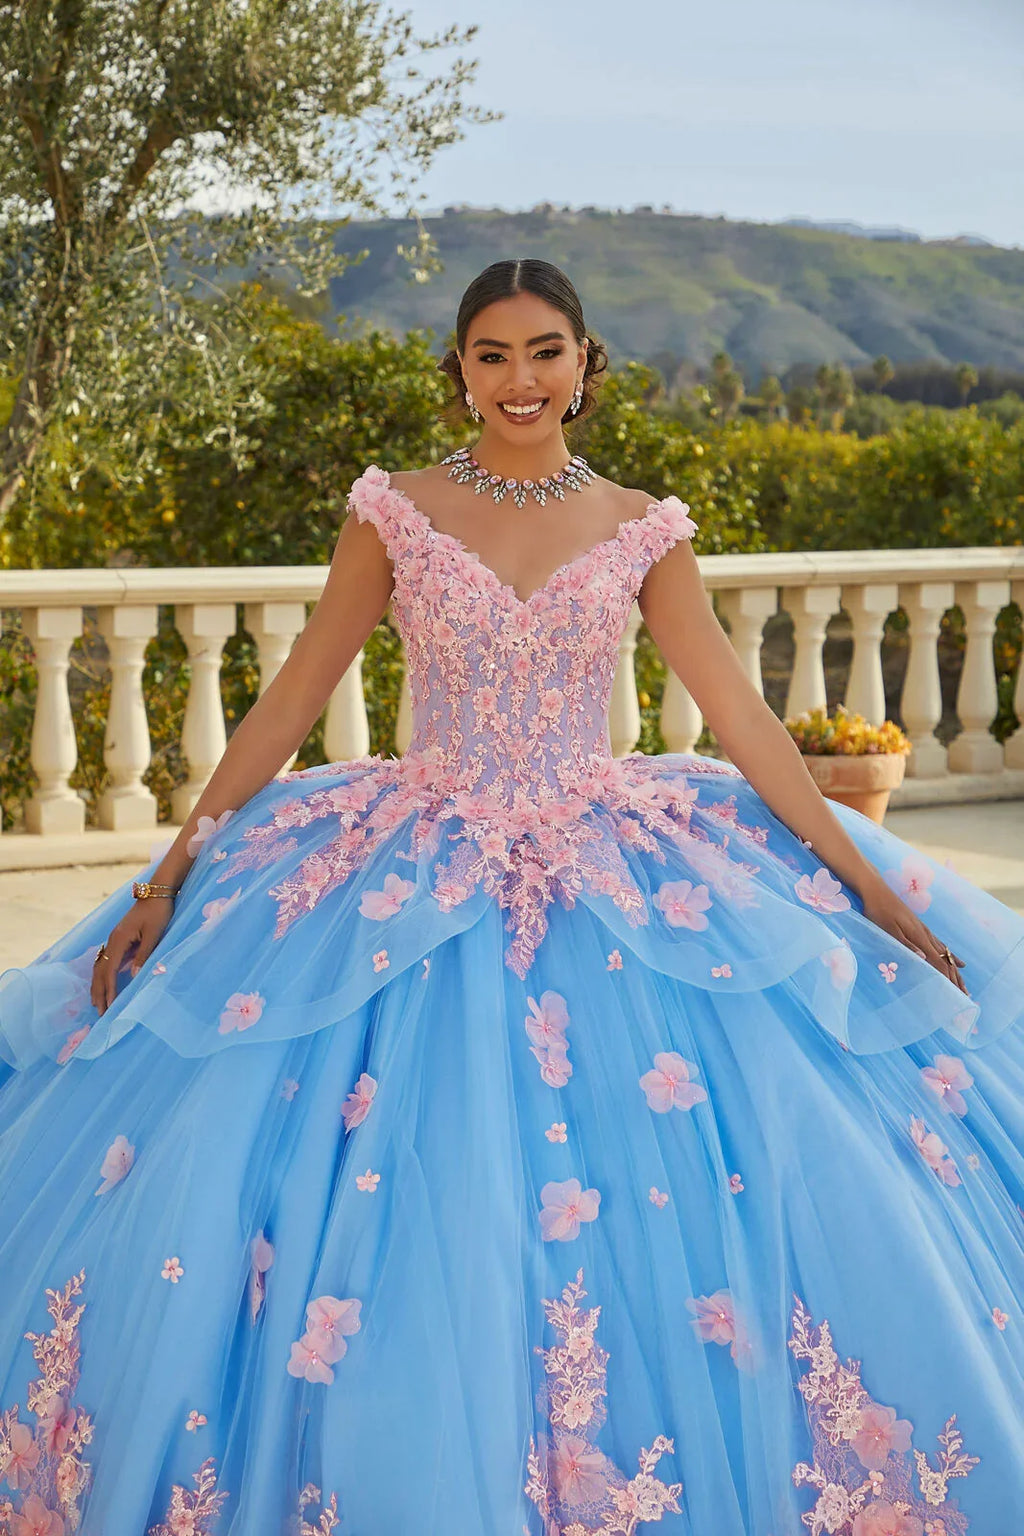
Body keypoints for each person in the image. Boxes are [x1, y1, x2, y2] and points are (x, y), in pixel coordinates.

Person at [0, 258, 1021, 1536]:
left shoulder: (643, 526)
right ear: (460, 372)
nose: (519, 379)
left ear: (586, 367)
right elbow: (292, 695)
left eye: (544, 351)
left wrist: (861, 882)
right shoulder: (396, 512)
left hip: (610, 853)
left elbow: (745, 716)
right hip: (418, 850)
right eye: (490, 354)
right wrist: (171, 871)